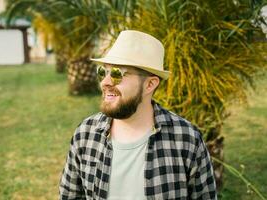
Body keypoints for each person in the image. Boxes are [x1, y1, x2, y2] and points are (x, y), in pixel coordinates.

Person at [59, 30, 217, 200]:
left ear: (150, 84)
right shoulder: (85, 134)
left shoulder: (186, 139)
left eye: (117, 74)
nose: (105, 82)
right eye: (103, 72)